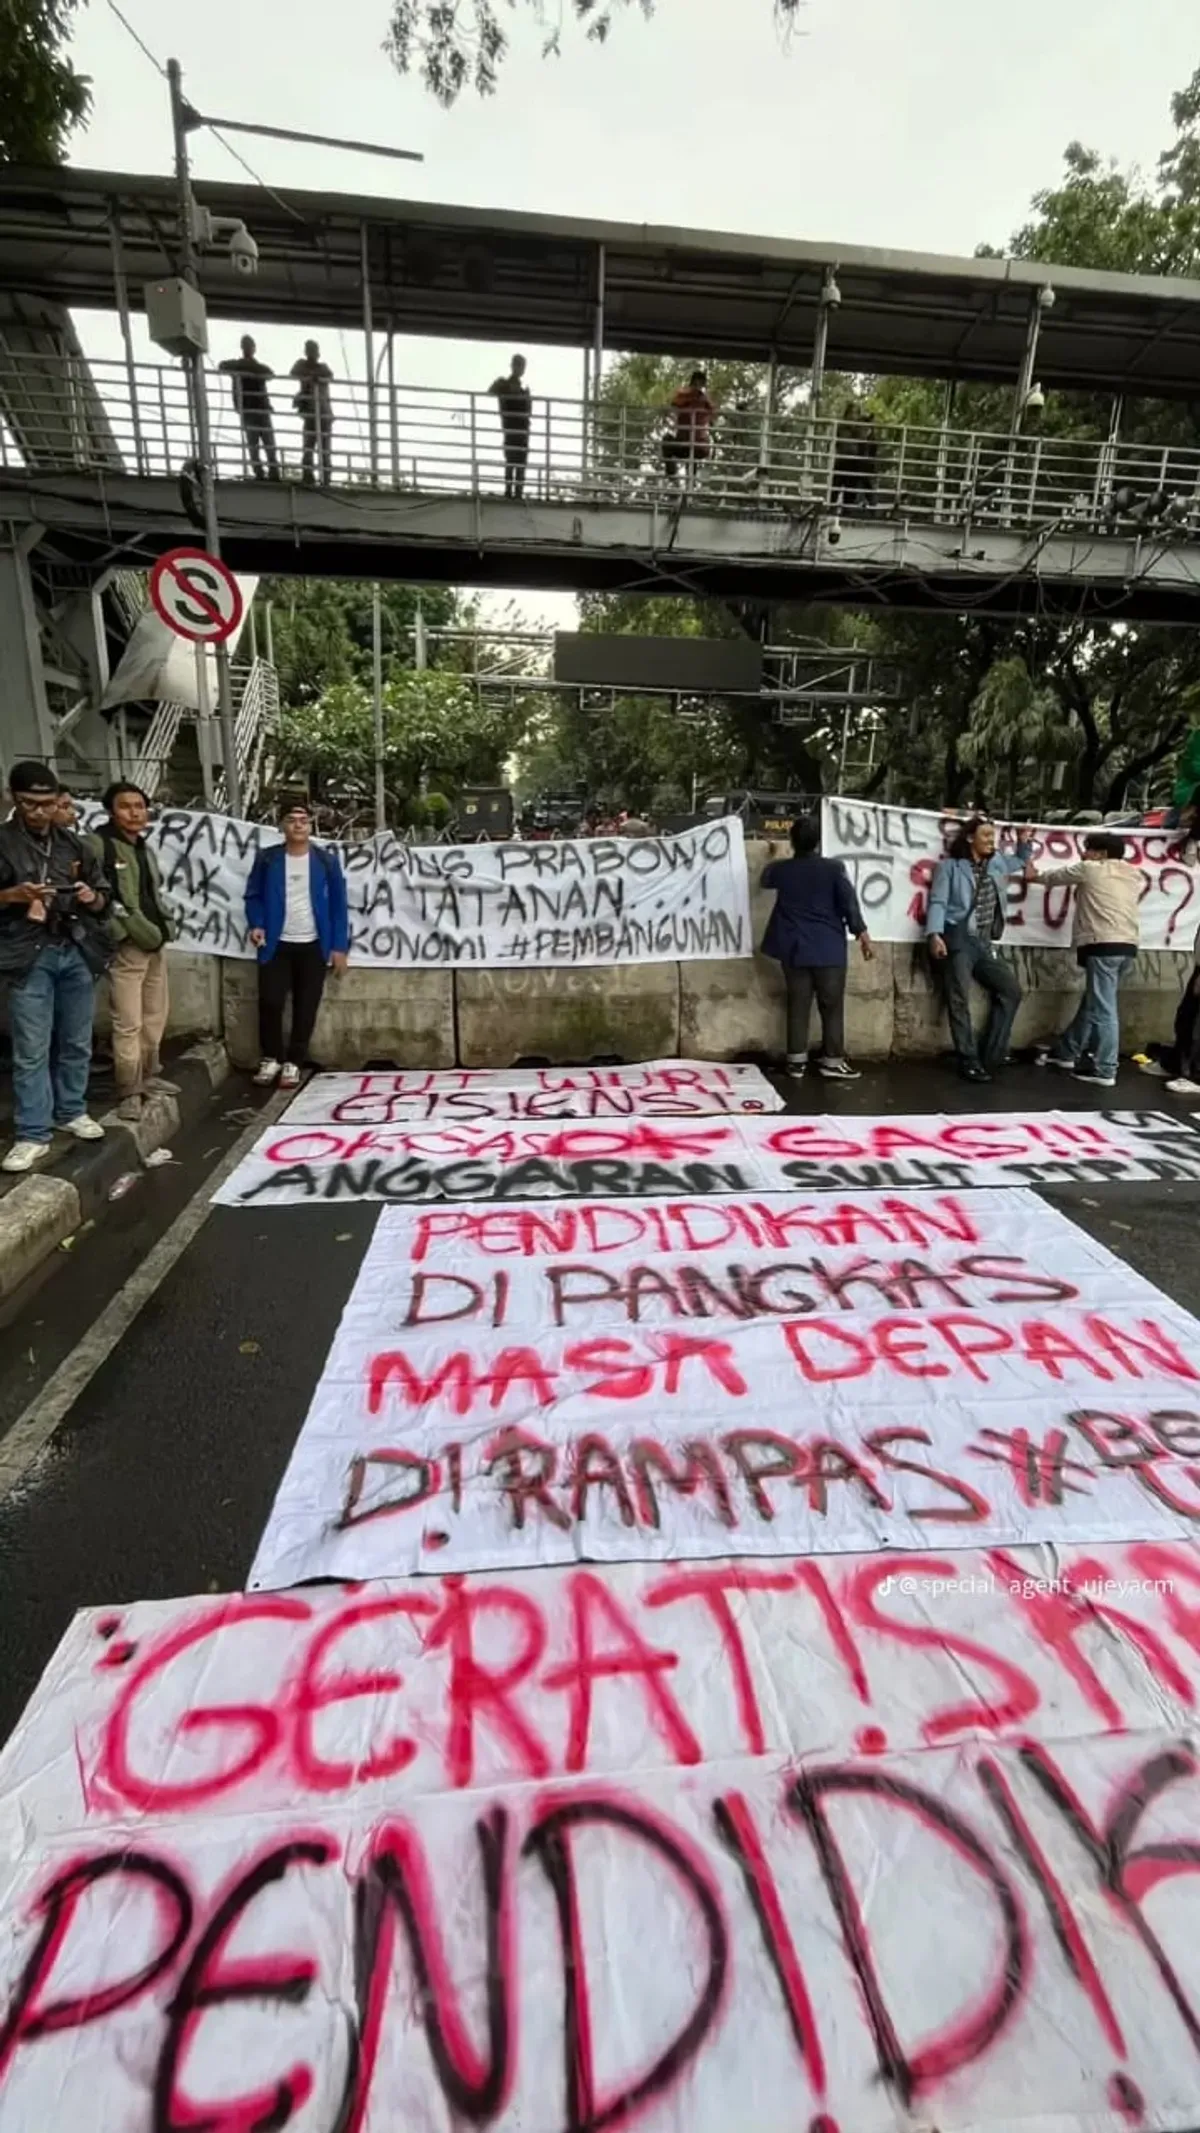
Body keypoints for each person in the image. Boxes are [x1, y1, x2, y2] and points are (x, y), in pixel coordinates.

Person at [0, 761, 111, 1172]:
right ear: (14, 798)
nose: (41, 812)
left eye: (49, 803)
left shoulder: (74, 844)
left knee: (77, 1039)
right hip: (26, 952)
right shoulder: (3, 842)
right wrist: (14, 895)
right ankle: (32, 1131)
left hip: (74, 946)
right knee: (31, 1047)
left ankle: (71, 1109)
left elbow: (104, 899)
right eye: (31, 804)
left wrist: (88, 897)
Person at [244, 797, 350, 1089]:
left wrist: (339, 947)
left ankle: (294, 1061)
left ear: (311, 825)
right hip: (276, 943)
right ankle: (271, 1057)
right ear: (282, 825)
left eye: (304, 820)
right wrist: (256, 924)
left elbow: (339, 906)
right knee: (270, 1001)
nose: (299, 824)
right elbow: (252, 895)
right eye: (292, 819)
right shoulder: (267, 859)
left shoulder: (326, 861)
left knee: (306, 1005)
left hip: (314, 944)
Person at [1023, 831, 1141, 1090]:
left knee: (1103, 1009)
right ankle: (1066, 1053)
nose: (1083, 853)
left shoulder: (1090, 869)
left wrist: (1033, 873)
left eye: (1087, 850)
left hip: (1102, 945)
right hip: (1128, 946)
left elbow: (1053, 877)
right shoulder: (1133, 875)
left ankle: (1105, 1068)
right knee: (1095, 1002)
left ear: (1100, 854)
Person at [762, 815, 873, 1080]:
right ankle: (832, 1061)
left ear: (793, 841)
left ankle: (796, 1062)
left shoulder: (782, 870)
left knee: (798, 1004)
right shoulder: (834, 868)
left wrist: (777, 855)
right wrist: (861, 932)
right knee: (831, 1006)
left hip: (794, 948)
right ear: (818, 842)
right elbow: (849, 902)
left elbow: (765, 879)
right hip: (828, 948)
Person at [90, 782, 176, 1120]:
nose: (135, 812)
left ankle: (150, 1075)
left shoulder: (142, 847)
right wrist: (121, 932)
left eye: (140, 806)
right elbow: (96, 897)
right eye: (126, 806)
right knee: (128, 1020)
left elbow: (151, 893)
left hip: (154, 940)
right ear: (112, 810)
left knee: (155, 1013)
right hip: (128, 945)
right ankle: (129, 1089)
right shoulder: (98, 846)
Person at [926, 815, 1032, 1083]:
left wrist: (1023, 843)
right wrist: (935, 934)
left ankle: (992, 1054)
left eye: (992, 836)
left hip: (984, 941)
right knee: (958, 997)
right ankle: (968, 1059)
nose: (991, 841)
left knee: (1011, 990)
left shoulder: (995, 862)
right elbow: (938, 901)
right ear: (970, 838)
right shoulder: (950, 867)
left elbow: (1018, 861)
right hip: (958, 937)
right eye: (986, 836)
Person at [219, 336, 279, 480]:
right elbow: (222, 365)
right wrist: (246, 367)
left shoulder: (254, 366)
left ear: (253, 348)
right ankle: (260, 472)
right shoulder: (239, 365)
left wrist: (247, 367)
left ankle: (273, 472)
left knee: (268, 444)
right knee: (254, 445)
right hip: (250, 411)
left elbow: (270, 374)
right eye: (246, 346)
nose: (248, 348)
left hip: (261, 409)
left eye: (249, 346)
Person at [290, 341, 334, 486]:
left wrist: (312, 376)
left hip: (323, 413)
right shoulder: (302, 365)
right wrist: (310, 376)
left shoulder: (323, 367)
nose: (312, 354)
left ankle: (326, 478)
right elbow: (294, 372)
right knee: (309, 448)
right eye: (309, 350)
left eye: (313, 350)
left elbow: (328, 375)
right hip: (311, 413)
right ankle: (308, 476)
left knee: (324, 449)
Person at [489, 355, 532, 499]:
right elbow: (491, 391)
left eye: (522, 366)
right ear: (513, 366)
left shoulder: (523, 389)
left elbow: (528, 411)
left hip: (522, 430)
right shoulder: (505, 384)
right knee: (511, 460)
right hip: (511, 429)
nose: (520, 369)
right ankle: (509, 492)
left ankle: (518, 493)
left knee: (520, 462)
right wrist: (507, 388)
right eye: (518, 365)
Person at [663, 370, 716, 484]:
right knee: (692, 451)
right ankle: (684, 479)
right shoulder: (701, 398)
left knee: (669, 441)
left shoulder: (691, 396)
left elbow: (673, 405)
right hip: (695, 446)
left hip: (692, 444)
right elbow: (713, 416)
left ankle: (674, 475)